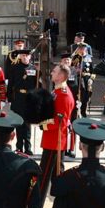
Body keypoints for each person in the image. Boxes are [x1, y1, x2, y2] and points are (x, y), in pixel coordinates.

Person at [39, 63, 75, 194]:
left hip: (55, 141)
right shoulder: (57, 91)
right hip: (52, 140)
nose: (52, 73)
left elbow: (61, 121)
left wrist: (42, 125)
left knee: (43, 179)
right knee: (56, 178)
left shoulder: (64, 95)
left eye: (54, 72)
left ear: (61, 76)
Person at [5, 43, 37, 155]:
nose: (24, 57)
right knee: (18, 123)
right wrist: (9, 97)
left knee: (27, 125)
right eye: (22, 56)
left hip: (29, 99)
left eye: (26, 56)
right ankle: (19, 147)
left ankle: (28, 147)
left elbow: (37, 85)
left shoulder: (34, 69)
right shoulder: (14, 67)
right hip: (18, 98)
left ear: (30, 57)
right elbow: (10, 84)